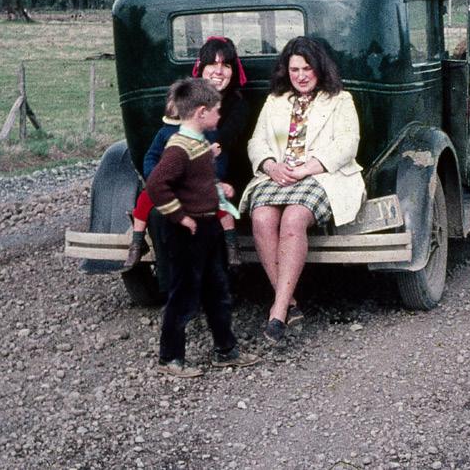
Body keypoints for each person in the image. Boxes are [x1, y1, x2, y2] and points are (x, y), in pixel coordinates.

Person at [238, 36, 365, 344]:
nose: (301, 76)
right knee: (262, 218)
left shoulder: (339, 100)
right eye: (295, 70)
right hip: (278, 175)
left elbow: (348, 143)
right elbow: (257, 142)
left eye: (307, 69)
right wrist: (270, 166)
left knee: (294, 219)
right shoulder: (276, 101)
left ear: (320, 69)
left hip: (321, 175)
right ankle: (291, 302)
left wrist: (309, 167)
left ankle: (278, 309)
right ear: (287, 71)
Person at [146, 77, 260, 377]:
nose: (220, 115)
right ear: (201, 113)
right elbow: (157, 184)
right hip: (187, 232)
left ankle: (226, 349)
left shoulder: (199, 144)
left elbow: (193, 182)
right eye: (217, 111)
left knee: (217, 290)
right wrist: (179, 217)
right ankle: (170, 358)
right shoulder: (179, 148)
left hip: (207, 228)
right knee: (183, 295)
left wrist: (218, 188)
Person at [124, 36, 251, 270]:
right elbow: (153, 155)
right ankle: (143, 250)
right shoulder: (171, 127)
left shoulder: (234, 108)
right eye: (212, 64)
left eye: (225, 65)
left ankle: (229, 252)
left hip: (212, 181)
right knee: (155, 209)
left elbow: (221, 148)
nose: (218, 71)